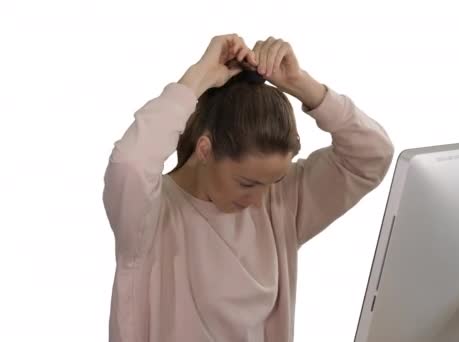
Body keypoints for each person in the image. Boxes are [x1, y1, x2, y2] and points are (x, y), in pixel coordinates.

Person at [102, 33, 395, 342]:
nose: (258, 200)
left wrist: (302, 85)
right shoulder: (149, 216)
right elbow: (131, 163)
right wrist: (198, 77)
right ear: (204, 150)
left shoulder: (281, 204)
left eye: (273, 182)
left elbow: (373, 153)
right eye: (247, 183)